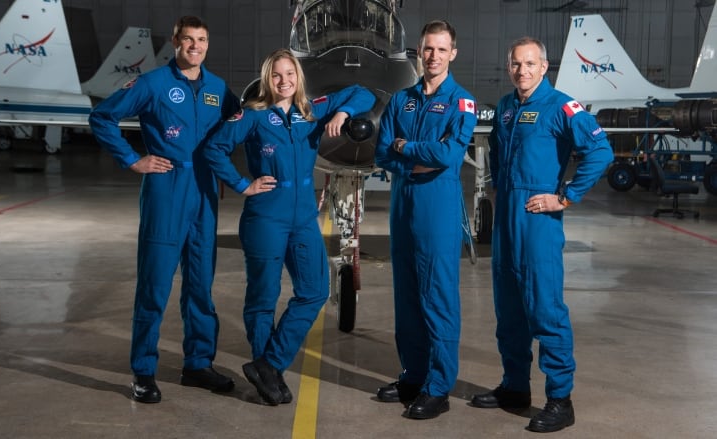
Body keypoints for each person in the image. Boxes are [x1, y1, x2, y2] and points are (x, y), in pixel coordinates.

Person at [202, 48, 375, 406]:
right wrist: (241, 184)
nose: (284, 81)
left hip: (302, 219)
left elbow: (365, 93)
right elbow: (214, 149)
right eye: (277, 75)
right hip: (265, 215)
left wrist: (342, 111)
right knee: (263, 299)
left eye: (290, 74)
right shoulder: (253, 115)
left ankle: (270, 363)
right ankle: (270, 376)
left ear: (299, 77)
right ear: (268, 79)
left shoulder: (313, 110)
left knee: (314, 291)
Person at [89, 16, 240, 404]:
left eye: (202, 40)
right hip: (167, 188)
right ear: (175, 42)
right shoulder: (154, 83)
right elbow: (102, 117)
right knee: (155, 285)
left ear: (208, 44)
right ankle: (143, 370)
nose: (195, 46)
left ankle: (198, 364)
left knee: (200, 286)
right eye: (188, 40)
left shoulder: (218, 89)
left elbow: (244, 124)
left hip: (205, 192)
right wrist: (132, 159)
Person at [469, 37, 613, 432]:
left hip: (538, 225)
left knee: (545, 310)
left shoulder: (561, 106)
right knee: (509, 312)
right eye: (516, 64)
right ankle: (515, 387)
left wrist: (565, 197)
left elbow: (601, 151)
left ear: (544, 66)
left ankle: (560, 399)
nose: (523, 70)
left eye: (530, 63)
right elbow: (497, 149)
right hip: (506, 224)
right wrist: (499, 186)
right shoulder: (505, 106)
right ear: (509, 66)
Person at [373, 20, 477, 420]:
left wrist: (407, 148)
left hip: (437, 209)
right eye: (426, 49)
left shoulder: (460, 101)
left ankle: (438, 386)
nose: (432, 57)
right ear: (419, 52)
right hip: (404, 206)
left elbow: (449, 156)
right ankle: (412, 376)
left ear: (453, 53)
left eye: (440, 49)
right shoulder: (401, 101)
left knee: (438, 298)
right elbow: (383, 153)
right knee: (407, 298)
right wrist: (417, 156)